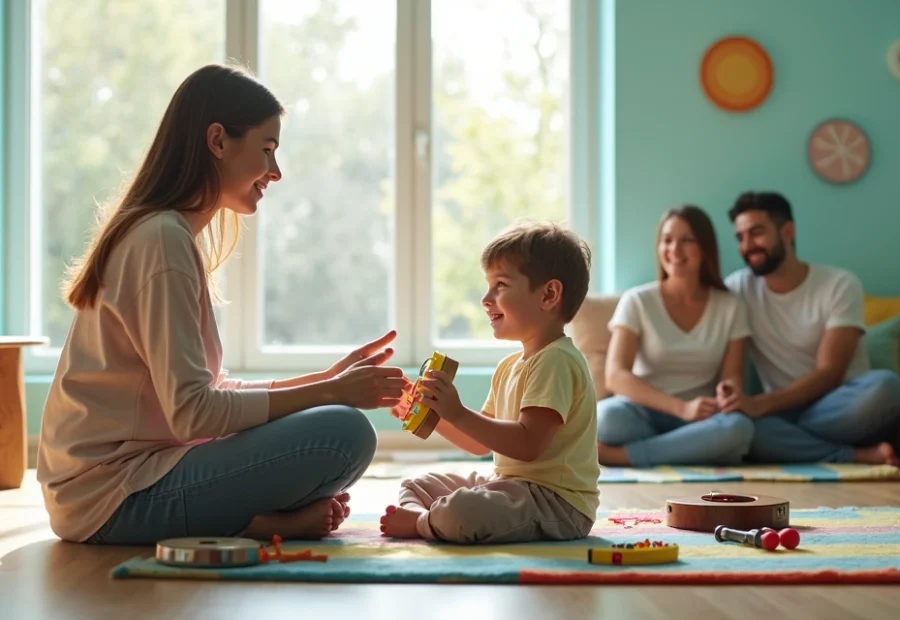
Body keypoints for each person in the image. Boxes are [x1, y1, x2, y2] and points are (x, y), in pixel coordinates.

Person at [36, 64, 408, 545]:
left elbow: (210, 392)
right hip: (110, 497)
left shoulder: (167, 234)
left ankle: (252, 521)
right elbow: (196, 415)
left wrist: (327, 379)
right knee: (342, 435)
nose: (275, 172)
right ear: (218, 141)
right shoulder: (161, 240)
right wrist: (332, 394)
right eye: (267, 150)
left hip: (131, 479)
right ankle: (251, 522)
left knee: (334, 427)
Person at [378, 220, 600, 544]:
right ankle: (430, 519)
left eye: (501, 285)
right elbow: (481, 443)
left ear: (549, 294)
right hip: (509, 484)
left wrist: (456, 412)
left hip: (556, 503)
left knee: (463, 510)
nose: (486, 298)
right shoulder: (509, 365)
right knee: (418, 484)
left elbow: (527, 445)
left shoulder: (557, 360)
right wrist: (432, 413)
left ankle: (425, 522)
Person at [725, 191, 900, 465]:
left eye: (757, 233)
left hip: (842, 408)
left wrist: (760, 404)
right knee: (740, 428)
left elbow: (828, 373)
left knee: (887, 386)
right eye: (740, 237)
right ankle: (854, 455)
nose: (747, 245)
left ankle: (798, 443)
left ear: (787, 231)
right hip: (782, 414)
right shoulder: (738, 288)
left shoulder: (839, 284)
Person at [596, 206, 755, 468]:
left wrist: (729, 392)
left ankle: (623, 456)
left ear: (705, 248)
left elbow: (732, 376)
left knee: (740, 428)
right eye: (667, 240)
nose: (675, 250)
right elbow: (616, 376)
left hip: (702, 417)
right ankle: (687, 447)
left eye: (687, 240)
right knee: (608, 418)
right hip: (642, 412)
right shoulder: (638, 301)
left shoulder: (731, 306)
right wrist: (681, 408)